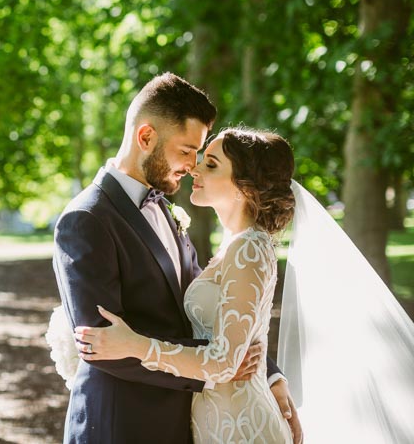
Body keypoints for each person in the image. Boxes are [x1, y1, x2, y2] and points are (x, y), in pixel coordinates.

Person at [50, 73, 301, 444]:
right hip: (123, 426)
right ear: (146, 137)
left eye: (201, 156)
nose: (192, 166)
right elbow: (102, 345)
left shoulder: (168, 211)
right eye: (186, 151)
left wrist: (267, 372)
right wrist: (220, 366)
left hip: (187, 422)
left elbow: (220, 312)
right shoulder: (86, 219)